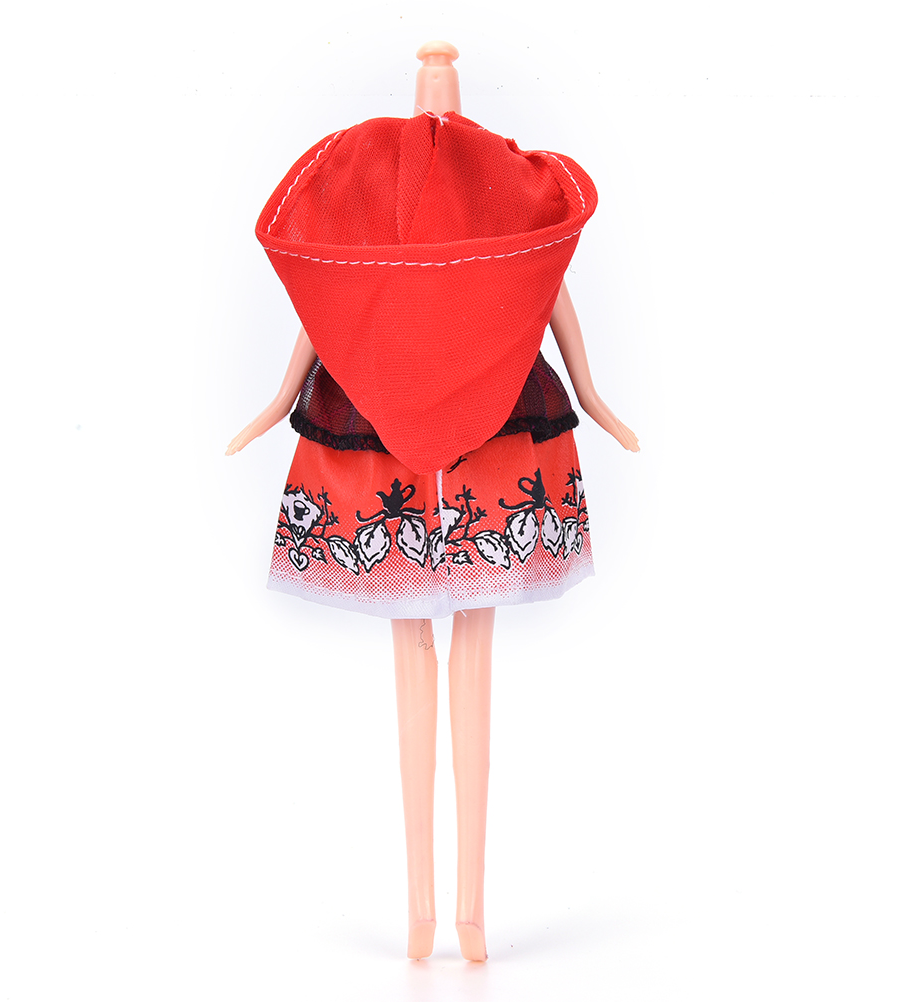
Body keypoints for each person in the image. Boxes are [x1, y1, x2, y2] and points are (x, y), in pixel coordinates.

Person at [227, 41, 638, 962]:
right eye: (430, 92)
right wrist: (273, 401)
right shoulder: (384, 192)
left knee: (465, 644)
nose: (437, 108)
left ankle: (468, 907)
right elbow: (333, 308)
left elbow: (545, 292)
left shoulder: (497, 189)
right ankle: (424, 904)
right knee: (416, 639)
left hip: (491, 410)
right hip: (383, 407)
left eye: (444, 92)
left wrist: (597, 396)